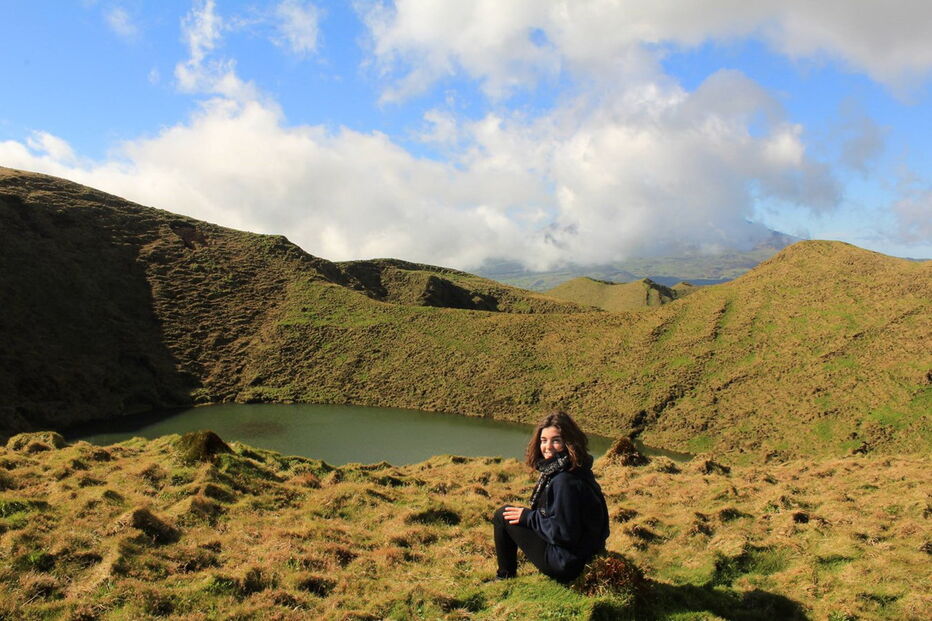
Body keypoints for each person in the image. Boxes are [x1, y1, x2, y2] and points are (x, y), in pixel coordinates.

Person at [493, 411, 610, 583]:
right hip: (586, 554)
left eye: (556, 440)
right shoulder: (578, 468)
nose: (547, 447)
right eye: (543, 440)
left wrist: (529, 517)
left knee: (502, 515)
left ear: (569, 442)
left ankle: (505, 576)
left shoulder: (564, 480)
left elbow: (564, 533)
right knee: (512, 514)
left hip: (567, 563)